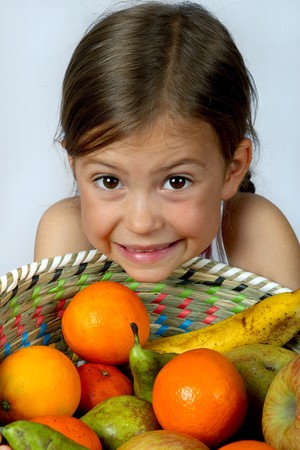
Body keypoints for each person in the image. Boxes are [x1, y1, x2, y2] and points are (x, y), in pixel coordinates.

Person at [33, 1, 300, 290]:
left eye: (176, 182)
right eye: (110, 182)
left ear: (232, 170)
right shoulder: (67, 236)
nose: (141, 223)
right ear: (75, 167)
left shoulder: (255, 232)